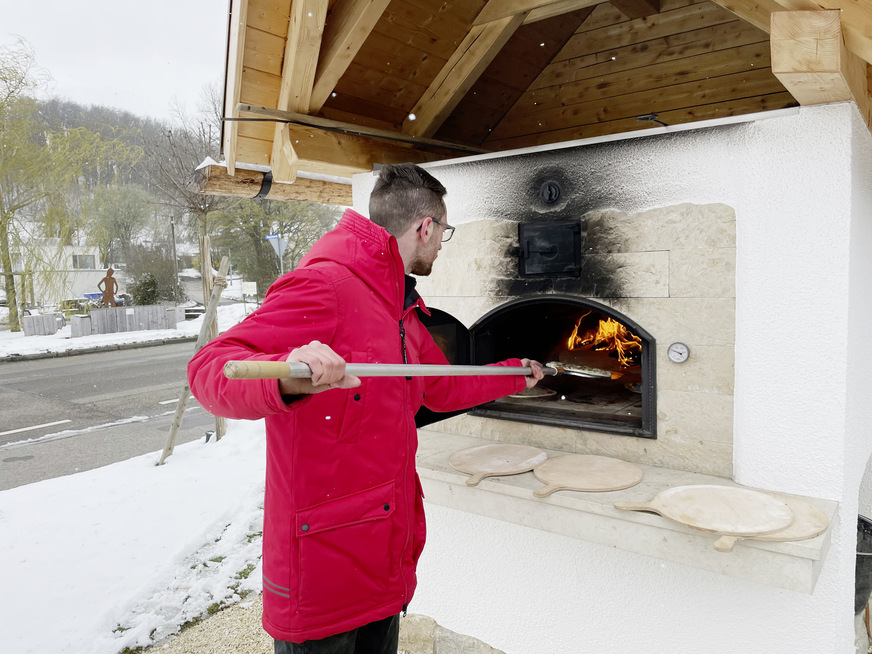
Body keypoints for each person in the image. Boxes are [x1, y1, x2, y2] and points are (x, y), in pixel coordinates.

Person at [187, 163, 544, 654]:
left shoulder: (397, 306)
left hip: (382, 557)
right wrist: (288, 370)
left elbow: (437, 387)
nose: (442, 244)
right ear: (425, 227)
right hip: (322, 569)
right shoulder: (326, 287)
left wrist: (512, 374)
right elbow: (210, 369)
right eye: (444, 232)